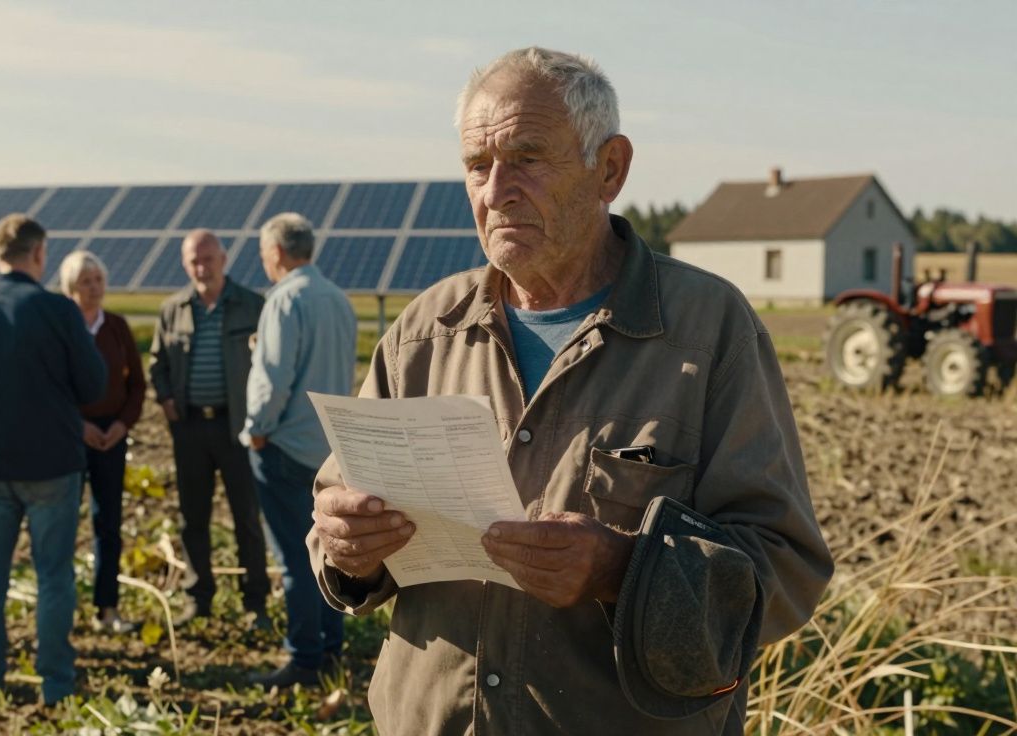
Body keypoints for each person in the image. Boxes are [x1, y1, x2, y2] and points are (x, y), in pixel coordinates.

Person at [307, 47, 834, 733]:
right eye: (477, 166)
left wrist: (621, 569)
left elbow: (785, 574)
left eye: (526, 158)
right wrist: (345, 547)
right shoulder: (423, 331)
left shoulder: (707, 332)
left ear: (609, 168)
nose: (495, 191)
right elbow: (333, 513)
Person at [0, 214, 105, 705]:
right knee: (53, 573)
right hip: (52, 464)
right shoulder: (57, 311)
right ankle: (55, 679)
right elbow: (93, 385)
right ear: (39, 254)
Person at [243, 212, 357, 688]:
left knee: (294, 557)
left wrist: (256, 430)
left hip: (285, 444)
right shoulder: (338, 299)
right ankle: (330, 646)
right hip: (328, 448)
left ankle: (304, 658)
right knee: (326, 551)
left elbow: (273, 378)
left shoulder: (283, 300)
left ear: (276, 253)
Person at [148, 229, 270, 624]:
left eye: (208, 259)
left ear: (224, 260)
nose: (202, 268)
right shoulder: (173, 309)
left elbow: (270, 364)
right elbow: (158, 362)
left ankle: (255, 603)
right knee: (192, 519)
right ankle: (198, 599)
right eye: (194, 261)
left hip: (236, 428)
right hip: (190, 429)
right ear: (186, 265)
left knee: (246, 519)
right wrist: (166, 400)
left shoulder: (251, 305)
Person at [59, 250, 146, 634]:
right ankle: (61, 608)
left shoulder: (116, 327)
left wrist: (122, 425)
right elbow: (51, 386)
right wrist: (79, 426)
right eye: (85, 282)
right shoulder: (62, 328)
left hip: (111, 437)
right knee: (62, 523)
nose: (94, 289)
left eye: (98, 280)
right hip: (71, 435)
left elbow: (137, 385)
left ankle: (107, 608)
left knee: (107, 525)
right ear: (70, 288)